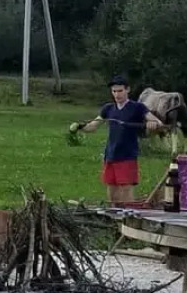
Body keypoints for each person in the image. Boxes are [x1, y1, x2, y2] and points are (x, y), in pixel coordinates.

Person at [70, 74, 164, 203]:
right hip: (110, 155)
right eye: (114, 91)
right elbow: (92, 126)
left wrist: (153, 124)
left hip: (127, 155)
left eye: (120, 91)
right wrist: (80, 127)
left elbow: (158, 123)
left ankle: (129, 214)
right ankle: (114, 213)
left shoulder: (137, 107)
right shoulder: (108, 108)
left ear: (127, 90)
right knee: (112, 192)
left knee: (126, 190)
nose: (117, 94)